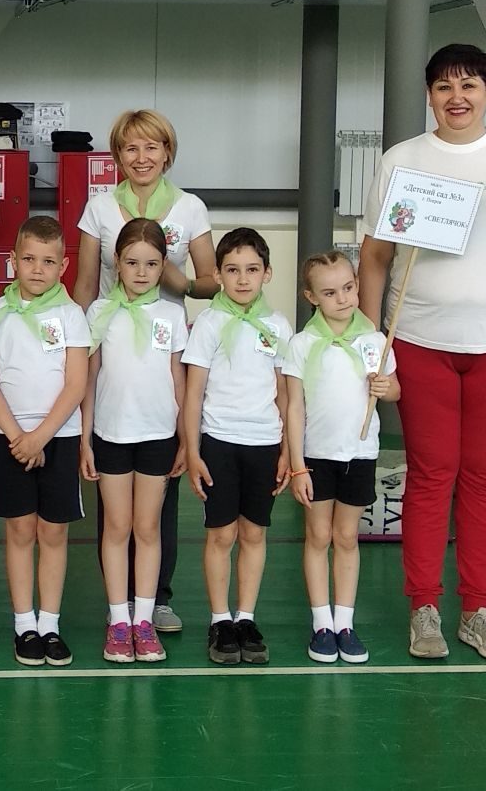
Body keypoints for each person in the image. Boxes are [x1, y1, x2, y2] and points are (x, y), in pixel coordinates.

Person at [358, 44, 486, 662]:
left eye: (469, 85)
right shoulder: (403, 160)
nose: (457, 97)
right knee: (430, 474)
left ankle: (477, 609)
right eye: (445, 86)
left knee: (482, 477)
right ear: (429, 95)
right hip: (420, 343)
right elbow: (375, 256)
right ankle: (424, 607)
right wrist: (370, 340)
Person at [74, 109, 218, 633]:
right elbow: (85, 283)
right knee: (116, 505)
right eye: (131, 148)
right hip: (111, 338)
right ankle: (119, 603)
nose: (142, 158)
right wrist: (75, 344)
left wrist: (177, 279)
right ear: (117, 155)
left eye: (152, 147)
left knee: (161, 497)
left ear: (167, 153)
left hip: (163, 350)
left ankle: (156, 597)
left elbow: (211, 282)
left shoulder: (189, 206)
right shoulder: (99, 207)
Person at [0, 216, 90, 667]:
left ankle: (50, 623)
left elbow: (76, 384)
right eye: (28, 259)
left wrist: (40, 436)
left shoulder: (72, 316)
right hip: (12, 439)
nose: (37, 269)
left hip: (58, 436)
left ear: (63, 266)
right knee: (20, 530)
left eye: (48, 261)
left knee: (53, 532)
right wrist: (18, 436)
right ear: (13, 261)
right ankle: (25, 623)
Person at [182, 227, 292, 665]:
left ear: (267, 273)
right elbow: (193, 394)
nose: (242, 279)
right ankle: (220, 619)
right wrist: (193, 451)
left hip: (264, 442)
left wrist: (288, 450)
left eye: (251, 269)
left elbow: (284, 394)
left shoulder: (278, 326)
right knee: (222, 533)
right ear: (217, 275)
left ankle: (246, 617)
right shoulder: (209, 323)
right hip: (220, 441)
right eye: (232, 270)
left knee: (254, 532)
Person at [284, 252, 400, 664]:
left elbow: (395, 390)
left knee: (347, 538)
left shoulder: (375, 341)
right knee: (318, 536)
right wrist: (297, 466)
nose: (343, 299)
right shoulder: (302, 344)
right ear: (311, 297)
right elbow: (294, 408)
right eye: (330, 293)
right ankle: (321, 624)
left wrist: (385, 387)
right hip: (317, 456)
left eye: (348, 288)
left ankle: (345, 623)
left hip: (359, 453)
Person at [80, 219, 187, 664]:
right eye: (132, 262)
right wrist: (85, 439)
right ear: (116, 263)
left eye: (151, 264)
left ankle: (144, 620)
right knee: (117, 528)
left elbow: (178, 378)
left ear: (163, 266)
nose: (141, 272)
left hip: (158, 436)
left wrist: (186, 438)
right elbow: (89, 379)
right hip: (111, 435)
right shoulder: (99, 312)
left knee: (148, 529)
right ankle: (119, 620)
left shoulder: (172, 316)